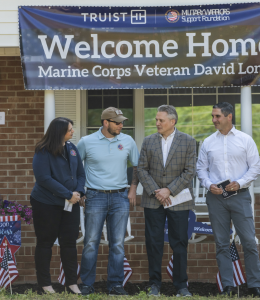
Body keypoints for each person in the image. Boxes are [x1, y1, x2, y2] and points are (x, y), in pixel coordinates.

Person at [197, 102, 260, 297]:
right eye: (213, 116)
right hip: (215, 198)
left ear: (229, 117)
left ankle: (254, 286)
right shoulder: (208, 142)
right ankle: (227, 286)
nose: (213, 120)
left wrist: (240, 182)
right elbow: (201, 168)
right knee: (221, 243)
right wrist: (208, 184)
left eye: (217, 116)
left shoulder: (245, 140)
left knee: (249, 241)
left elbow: (255, 168)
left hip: (240, 196)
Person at [77, 107, 139, 296]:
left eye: (122, 122)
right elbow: (75, 169)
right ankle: (87, 284)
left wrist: (133, 189)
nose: (121, 125)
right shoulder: (86, 142)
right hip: (95, 197)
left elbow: (137, 166)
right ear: (105, 123)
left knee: (118, 243)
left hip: (120, 197)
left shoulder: (128, 141)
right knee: (91, 242)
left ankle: (115, 284)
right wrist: (80, 191)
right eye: (117, 122)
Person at [137, 105, 196, 297]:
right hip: (153, 200)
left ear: (173, 121)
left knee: (179, 242)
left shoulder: (188, 141)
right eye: (156, 120)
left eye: (161, 120)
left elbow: (189, 171)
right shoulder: (148, 141)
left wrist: (169, 190)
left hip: (179, 200)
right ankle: (154, 285)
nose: (157, 123)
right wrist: (157, 192)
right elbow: (142, 169)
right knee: (153, 243)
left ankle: (181, 286)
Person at [30, 117, 85, 294]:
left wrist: (78, 193)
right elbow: (44, 178)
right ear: (59, 131)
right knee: (45, 242)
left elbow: (80, 174)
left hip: (71, 203)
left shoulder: (72, 148)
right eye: (70, 129)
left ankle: (71, 283)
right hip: (46, 203)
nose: (73, 132)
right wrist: (68, 195)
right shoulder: (43, 150)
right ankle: (44, 285)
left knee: (69, 243)